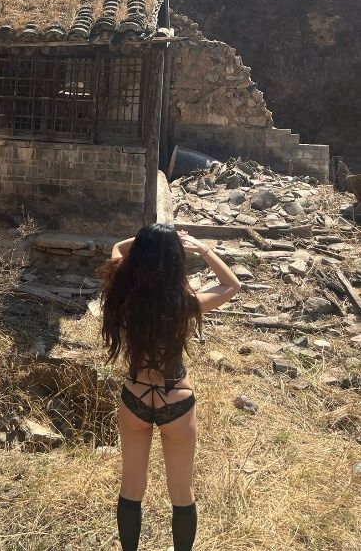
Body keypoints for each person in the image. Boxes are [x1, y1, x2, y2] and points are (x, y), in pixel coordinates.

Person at [99, 223, 241, 551]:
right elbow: (232, 285)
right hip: (175, 396)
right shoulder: (184, 303)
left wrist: (147, 239)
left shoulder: (123, 293)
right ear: (175, 259)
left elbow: (118, 249)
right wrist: (201, 248)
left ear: (141, 255)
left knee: (131, 488)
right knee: (181, 494)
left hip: (135, 393)